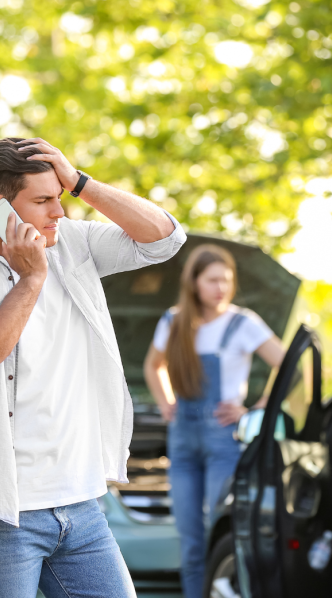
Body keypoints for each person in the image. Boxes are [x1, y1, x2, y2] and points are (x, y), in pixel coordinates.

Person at [0, 137, 187, 598]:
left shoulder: (73, 242)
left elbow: (165, 240)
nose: (57, 212)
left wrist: (81, 183)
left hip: (81, 505)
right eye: (43, 201)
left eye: (59, 197)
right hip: (1, 513)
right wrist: (32, 278)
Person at [143, 244, 286, 598]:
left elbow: (288, 364)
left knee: (218, 533)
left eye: (227, 280)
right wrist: (166, 403)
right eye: (212, 280)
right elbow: (153, 365)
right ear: (194, 283)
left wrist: (255, 410)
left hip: (225, 442)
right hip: (183, 440)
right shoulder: (174, 320)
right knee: (190, 539)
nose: (221, 287)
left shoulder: (242, 322)